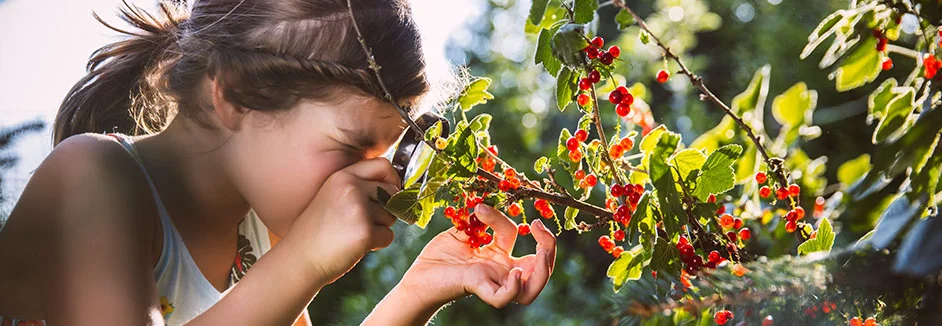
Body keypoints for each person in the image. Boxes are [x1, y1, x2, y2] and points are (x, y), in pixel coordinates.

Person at [0, 0, 557, 324]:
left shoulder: (254, 235)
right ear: (234, 95)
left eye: (384, 154)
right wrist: (302, 262)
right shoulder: (94, 177)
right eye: (350, 148)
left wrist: (420, 290)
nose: (376, 179)